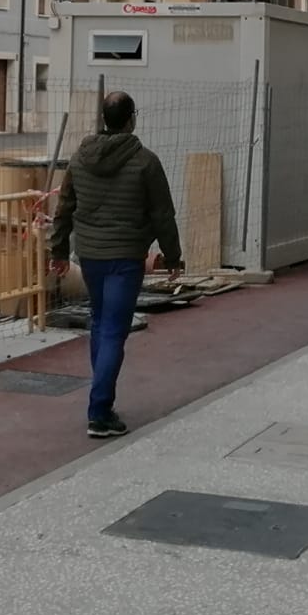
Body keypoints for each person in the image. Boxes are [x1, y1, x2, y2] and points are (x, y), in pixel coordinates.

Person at [49, 91, 181, 440]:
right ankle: (99, 411)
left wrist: (59, 252)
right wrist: (173, 256)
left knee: (99, 322)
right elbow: (162, 214)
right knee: (112, 330)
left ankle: (101, 399)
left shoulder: (80, 158)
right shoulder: (146, 162)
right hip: (125, 258)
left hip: (90, 255)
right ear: (131, 118)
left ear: (105, 119)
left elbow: (63, 209)